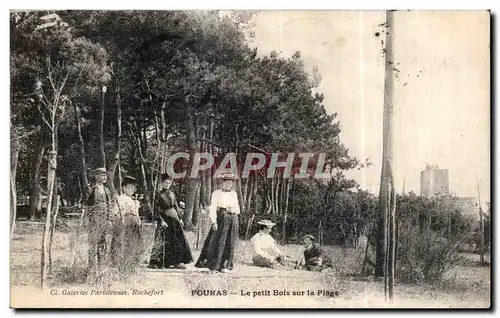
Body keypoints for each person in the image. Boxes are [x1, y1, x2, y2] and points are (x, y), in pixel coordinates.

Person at [195, 171, 240, 273]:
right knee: (218, 242)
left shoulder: (234, 194)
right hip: (221, 217)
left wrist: (234, 210)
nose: (229, 184)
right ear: (223, 182)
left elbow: (237, 207)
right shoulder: (216, 193)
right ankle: (214, 266)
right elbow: (213, 208)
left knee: (230, 242)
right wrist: (214, 222)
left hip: (233, 218)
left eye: (231, 183)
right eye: (227, 182)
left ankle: (226, 266)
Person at [148, 174, 193, 269]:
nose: (167, 184)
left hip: (175, 219)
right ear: (162, 183)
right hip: (165, 220)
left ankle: (177, 262)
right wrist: (161, 221)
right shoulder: (158, 194)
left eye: (169, 183)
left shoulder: (172, 193)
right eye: (165, 183)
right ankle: (160, 263)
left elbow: (176, 205)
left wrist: (180, 218)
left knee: (177, 240)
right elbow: (156, 209)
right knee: (165, 240)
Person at [85, 167, 118, 272]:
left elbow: (110, 205)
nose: (104, 177)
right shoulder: (91, 189)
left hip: (104, 220)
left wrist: (109, 219)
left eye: (105, 175)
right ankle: (91, 266)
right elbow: (86, 205)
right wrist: (88, 219)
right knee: (92, 242)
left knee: (102, 242)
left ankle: (101, 265)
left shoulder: (107, 190)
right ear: (96, 176)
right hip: (94, 220)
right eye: (102, 175)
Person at [116, 176, 143, 266]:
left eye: (133, 188)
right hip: (126, 222)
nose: (131, 190)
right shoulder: (121, 198)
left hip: (134, 222)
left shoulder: (133, 199)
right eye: (129, 188)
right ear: (124, 188)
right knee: (127, 241)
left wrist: (138, 219)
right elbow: (118, 212)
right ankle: (125, 261)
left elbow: (136, 212)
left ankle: (134, 260)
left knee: (135, 240)